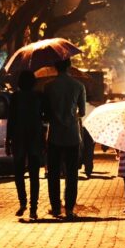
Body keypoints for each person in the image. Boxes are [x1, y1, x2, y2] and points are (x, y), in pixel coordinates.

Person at [43, 58, 86, 219]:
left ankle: (55, 208)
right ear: (69, 66)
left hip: (54, 135)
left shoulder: (48, 87)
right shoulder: (78, 86)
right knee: (71, 174)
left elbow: (45, 113)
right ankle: (69, 208)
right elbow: (82, 111)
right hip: (72, 135)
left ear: (55, 67)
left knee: (53, 174)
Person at [5, 70, 48, 220]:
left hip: (18, 138)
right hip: (35, 137)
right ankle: (33, 208)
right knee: (34, 175)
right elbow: (45, 116)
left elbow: (11, 120)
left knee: (18, 172)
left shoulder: (15, 97)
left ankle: (22, 202)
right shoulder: (39, 96)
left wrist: (8, 140)